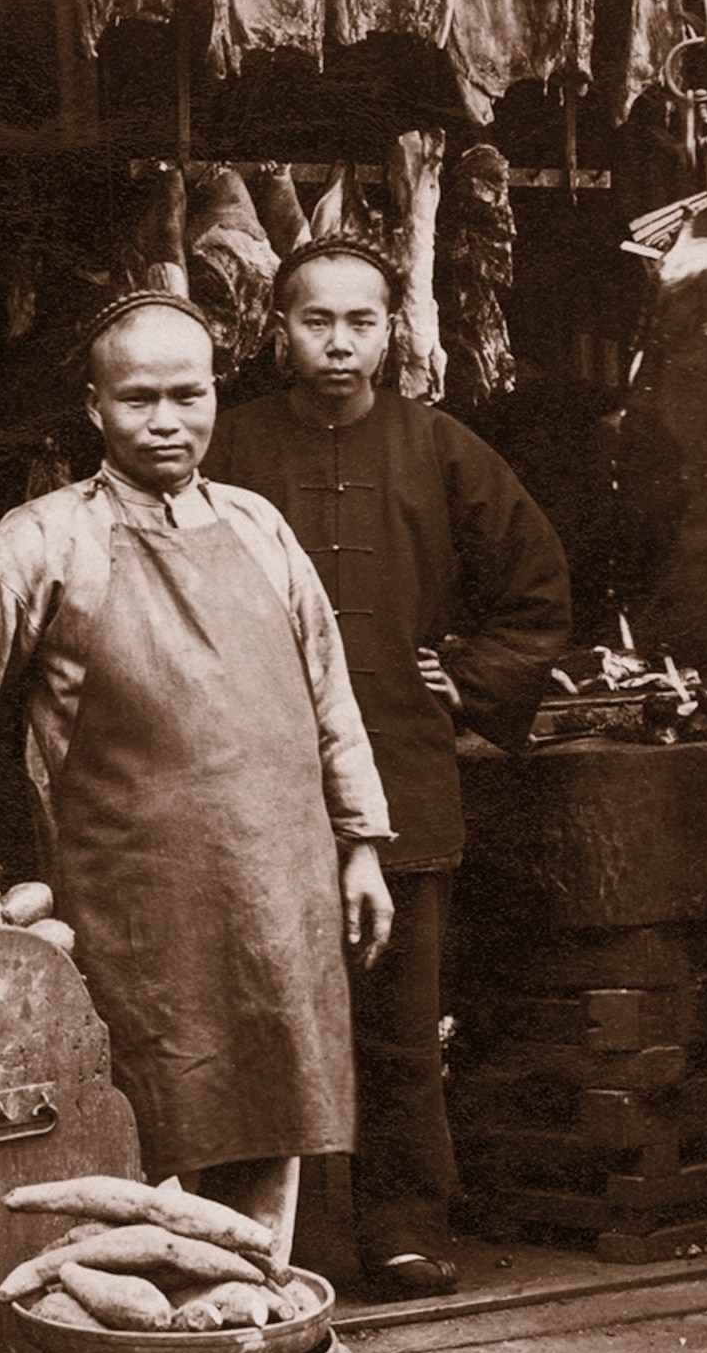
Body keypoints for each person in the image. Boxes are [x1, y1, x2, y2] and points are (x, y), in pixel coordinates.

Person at [0, 290, 395, 1215]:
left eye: (187, 396)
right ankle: (153, 1318)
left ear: (216, 397)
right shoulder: (45, 535)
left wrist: (361, 843)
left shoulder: (262, 527)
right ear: (94, 406)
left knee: (279, 1101)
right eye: (138, 398)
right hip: (131, 895)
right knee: (143, 1114)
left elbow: (330, 697)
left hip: (281, 881)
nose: (165, 421)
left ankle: (250, 1298)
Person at [208, 238, 569, 1295]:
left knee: (399, 1021)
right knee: (254, 1008)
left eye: (360, 322)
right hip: (247, 776)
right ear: (279, 329)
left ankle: (403, 1226)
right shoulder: (227, 448)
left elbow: (537, 584)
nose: (337, 343)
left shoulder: (443, 448)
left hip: (402, 770)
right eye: (316, 321)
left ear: (393, 332)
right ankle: (258, 1242)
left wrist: (470, 676)